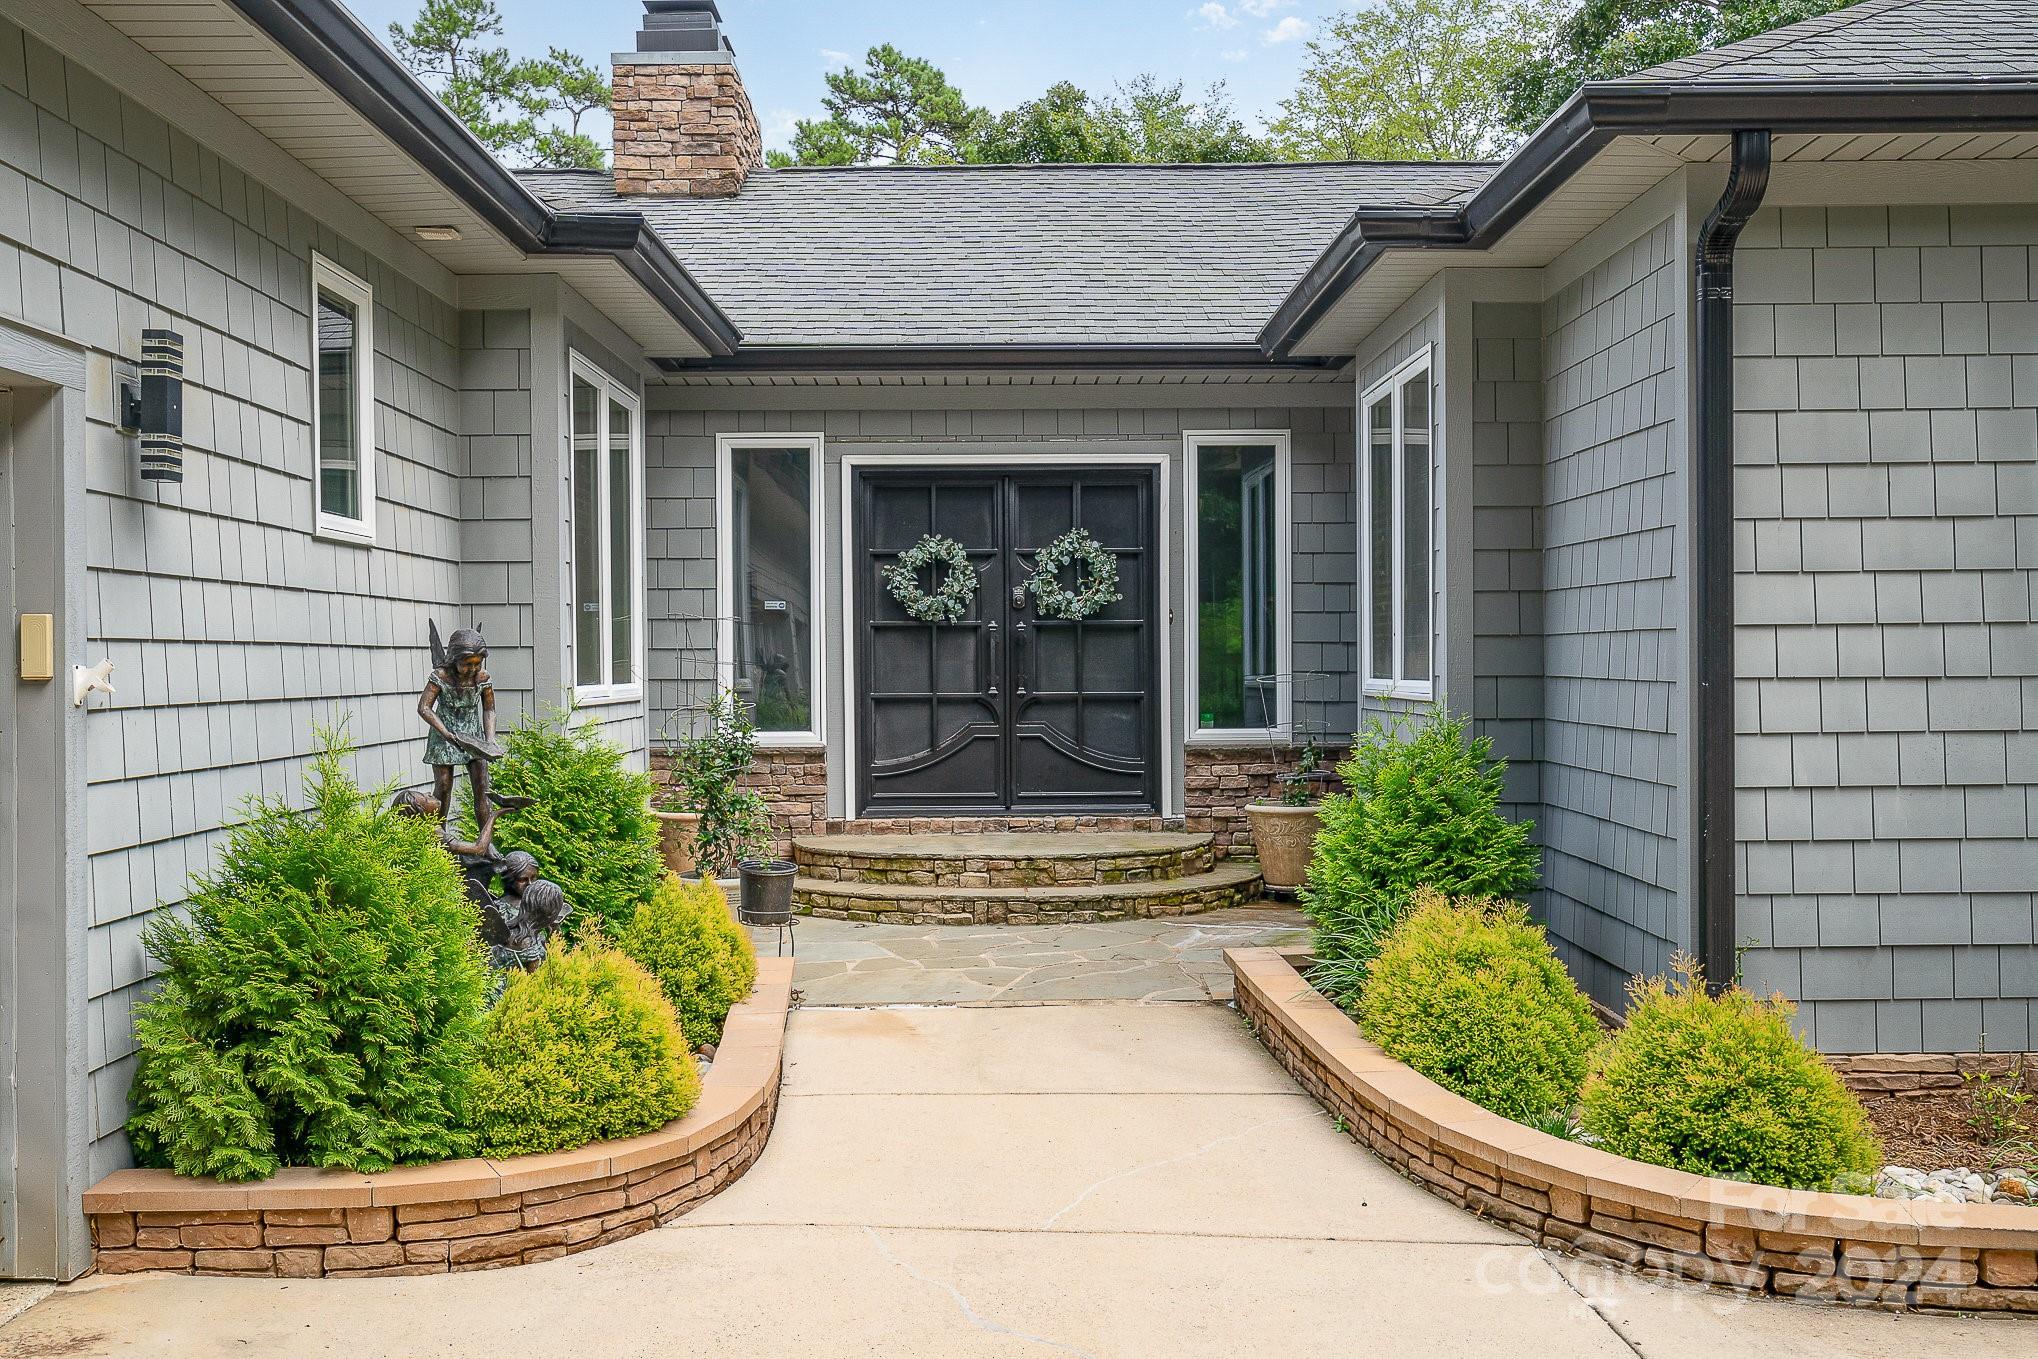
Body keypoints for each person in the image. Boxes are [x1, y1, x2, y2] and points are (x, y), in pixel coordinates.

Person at [417, 622, 506, 840]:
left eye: (478, 663)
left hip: (473, 736)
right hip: (444, 734)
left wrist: (490, 740)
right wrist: (445, 733)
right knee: (444, 787)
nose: (473, 669)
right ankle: (439, 839)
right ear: (454, 660)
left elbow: (489, 709)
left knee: (482, 786)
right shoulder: (441, 677)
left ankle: (487, 843)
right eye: (467, 664)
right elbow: (424, 708)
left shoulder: (482, 678)